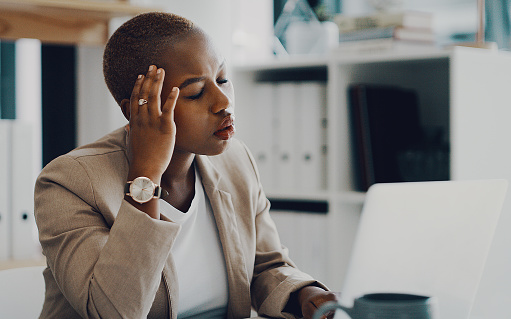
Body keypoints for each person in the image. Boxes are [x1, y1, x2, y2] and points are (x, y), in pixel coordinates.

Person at [34, 11, 338, 319]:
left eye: (223, 79)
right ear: (139, 108)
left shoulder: (236, 161)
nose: (224, 103)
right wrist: (145, 173)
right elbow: (113, 311)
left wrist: (306, 294)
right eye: (195, 93)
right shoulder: (68, 183)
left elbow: (265, 266)